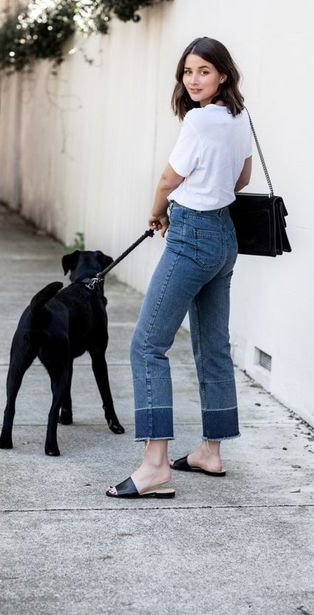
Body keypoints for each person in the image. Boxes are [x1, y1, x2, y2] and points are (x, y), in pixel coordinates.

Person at [106, 36, 253, 498]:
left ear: (222, 75)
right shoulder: (239, 116)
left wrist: (158, 209)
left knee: (147, 347)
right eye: (188, 71)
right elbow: (243, 177)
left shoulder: (199, 121)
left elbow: (170, 178)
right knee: (211, 346)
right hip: (224, 238)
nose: (193, 80)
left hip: (190, 236)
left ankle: (155, 465)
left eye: (204, 71)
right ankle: (211, 451)